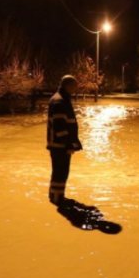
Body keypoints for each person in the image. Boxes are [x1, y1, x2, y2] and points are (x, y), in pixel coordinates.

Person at [47, 75, 83, 205]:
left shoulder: (60, 99)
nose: (76, 88)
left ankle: (54, 196)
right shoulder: (60, 101)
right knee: (60, 173)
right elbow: (60, 127)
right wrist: (68, 144)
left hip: (58, 145)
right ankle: (57, 199)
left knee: (58, 171)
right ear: (68, 86)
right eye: (75, 85)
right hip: (59, 146)